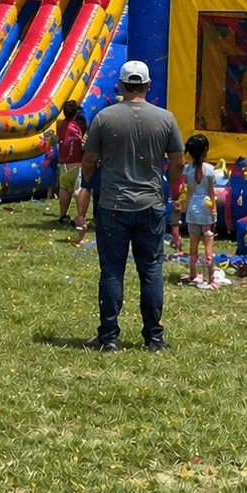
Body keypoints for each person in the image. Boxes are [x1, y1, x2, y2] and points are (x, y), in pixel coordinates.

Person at [80, 60, 184, 354]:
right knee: (151, 270)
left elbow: (88, 160)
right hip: (150, 203)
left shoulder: (104, 118)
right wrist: (169, 186)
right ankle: (154, 338)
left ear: (122, 86)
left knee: (112, 271)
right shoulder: (165, 119)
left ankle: (108, 336)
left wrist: (89, 180)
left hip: (114, 204)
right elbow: (177, 161)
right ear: (148, 85)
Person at [178, 134, 218, 290]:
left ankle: (193, 273)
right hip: (206, 210)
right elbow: (212, 192)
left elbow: (186, 191)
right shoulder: (210, 170)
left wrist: (183, 205)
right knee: (208, 245)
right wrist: (214, 210)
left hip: (192, 210)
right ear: (206, 150)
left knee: (193, 245)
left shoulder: (186, 170)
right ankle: (211, 277)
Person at [53, 100, 90, 234]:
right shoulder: (79, 125)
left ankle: (63, 215)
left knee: (64, 188)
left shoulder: (60, 125)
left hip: (64, 163)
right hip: (77, 163)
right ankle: (81, 218)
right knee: (80, 190)